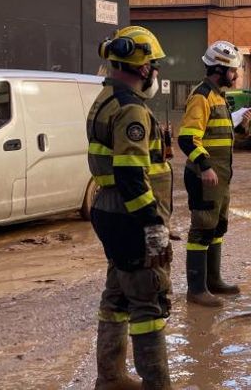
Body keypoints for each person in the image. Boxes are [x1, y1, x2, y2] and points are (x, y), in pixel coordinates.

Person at [87, 26, 173, 389]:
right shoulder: (131, 110)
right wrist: (153, 224)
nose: (155, 70)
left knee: (117, 293)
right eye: (153, 63)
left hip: (108, 211)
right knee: (149, 299)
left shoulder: (104, 99)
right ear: (141, 67)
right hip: (130, 215)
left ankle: (110, 377)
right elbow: (131, 175)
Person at [178, 40, 246, 308]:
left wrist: (241, 126)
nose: (236, 75)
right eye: (233, 71)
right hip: (205, 177)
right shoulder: (202, 96)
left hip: (220, 177)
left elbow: (218, 134)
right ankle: (196, 289)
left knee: (218, 227)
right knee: (202, 229)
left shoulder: (219, 97)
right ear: (219, 70)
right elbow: (187, 139)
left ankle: (214, 280)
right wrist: (204, 167)